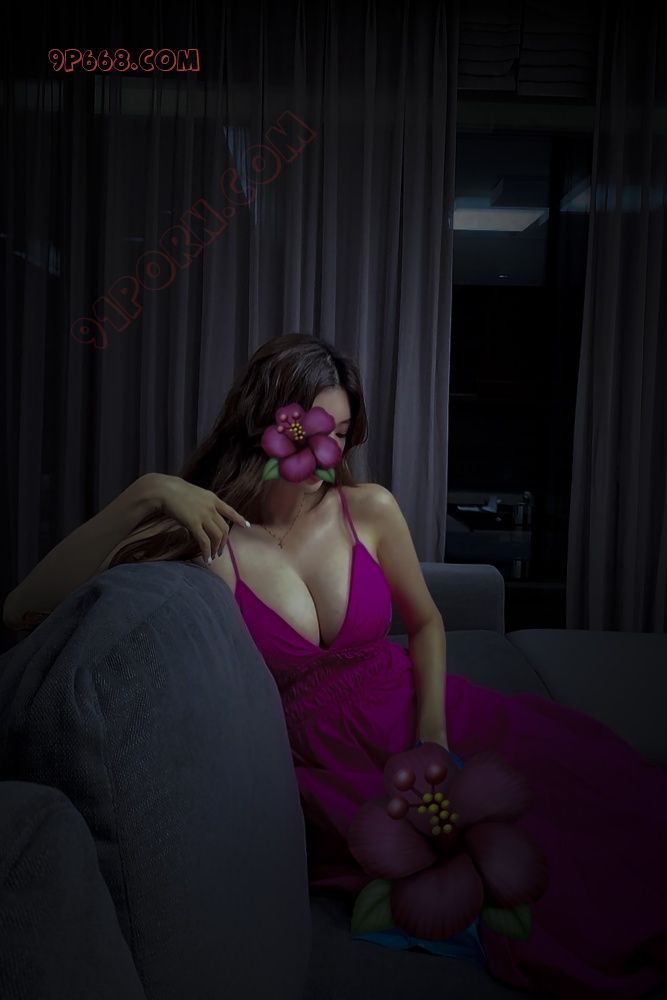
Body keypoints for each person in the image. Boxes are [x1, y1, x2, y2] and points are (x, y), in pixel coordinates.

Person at [4, 332, 667, 998]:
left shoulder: (368, 508)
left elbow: (426, 622)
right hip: (332, 771)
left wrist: (433, 733)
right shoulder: (210, 540)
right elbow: (21, 607)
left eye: (342, 435)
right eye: (314, 431)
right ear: (264, 424)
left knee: (602, 810)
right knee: (518, 900)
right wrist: (147, 492)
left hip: (427, 719)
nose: (328, 454)